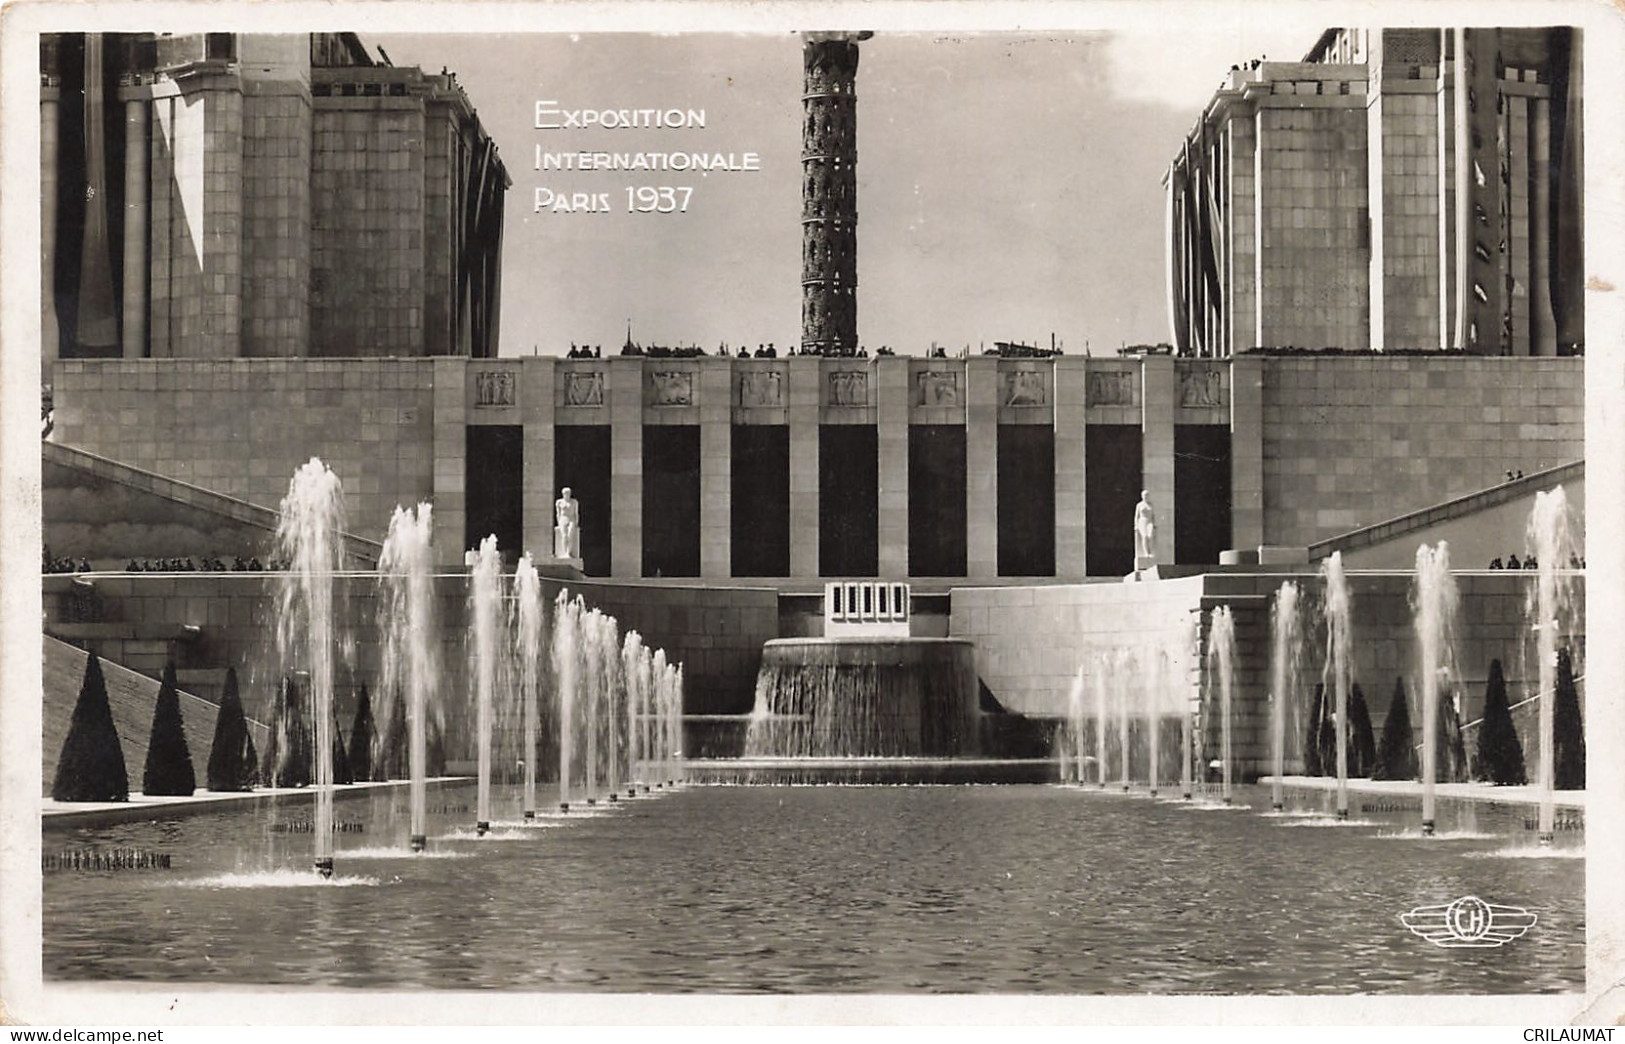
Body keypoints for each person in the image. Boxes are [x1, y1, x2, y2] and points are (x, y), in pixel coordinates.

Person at [555, 487, 581, 559]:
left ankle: (568, 552)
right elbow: (558, 513)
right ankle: (565, 551)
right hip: (563, 519)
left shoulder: (574, 502)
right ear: (563, 494)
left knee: (570, 535)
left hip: (571, 519)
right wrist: (558, 522)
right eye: (565, 493)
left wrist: (576, 522)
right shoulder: (559, 502)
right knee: (564, 536)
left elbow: (576, 513)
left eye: (568, 493)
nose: (567, 495)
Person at [1134, 490, 1156, 563]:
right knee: (1145, 536)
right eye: (1144, 495)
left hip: (1149, 522)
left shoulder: (1151, 505)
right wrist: (1136, 525)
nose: (1146, 496)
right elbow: (1136, 516)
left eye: (1147, 495)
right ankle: (1146, 553)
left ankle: (1150, 552)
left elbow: (1153, 515)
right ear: (1142, 496)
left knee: (1150, 536)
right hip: (1142, 521)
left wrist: (1154, 523)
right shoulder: (1139, 505)